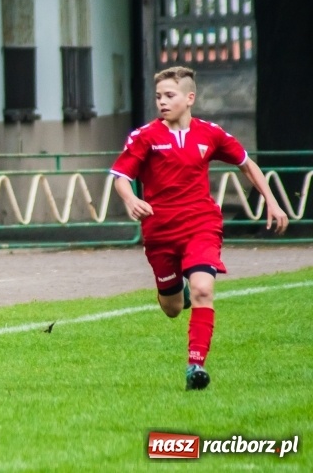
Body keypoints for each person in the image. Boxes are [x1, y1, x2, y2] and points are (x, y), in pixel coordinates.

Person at [110, 65, 289, 391]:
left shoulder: (211, 133)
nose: (162, 102)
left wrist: (272, 202)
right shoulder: (145, 136)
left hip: (201, 225)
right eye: (158, 96)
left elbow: (247, 164)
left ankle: (196, 365)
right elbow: (121, 177)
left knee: (204, 290)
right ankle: (177, 287)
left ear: (189, 98)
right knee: (173, 308)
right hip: (160, 232)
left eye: (169, 95)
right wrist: (128, 199)